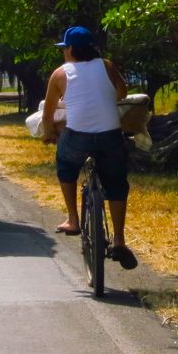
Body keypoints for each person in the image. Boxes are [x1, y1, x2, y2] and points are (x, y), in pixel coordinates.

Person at [41, 26, 138, 270]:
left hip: (77, 137)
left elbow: (48, 112)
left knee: (65, 165)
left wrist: (50, 133)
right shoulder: (106, 65)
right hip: (110, 136)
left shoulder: (60, 74)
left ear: (71, 49)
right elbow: (122, 92)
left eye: (65, 49)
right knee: (116, 184)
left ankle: (73, 219)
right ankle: (119, 240)